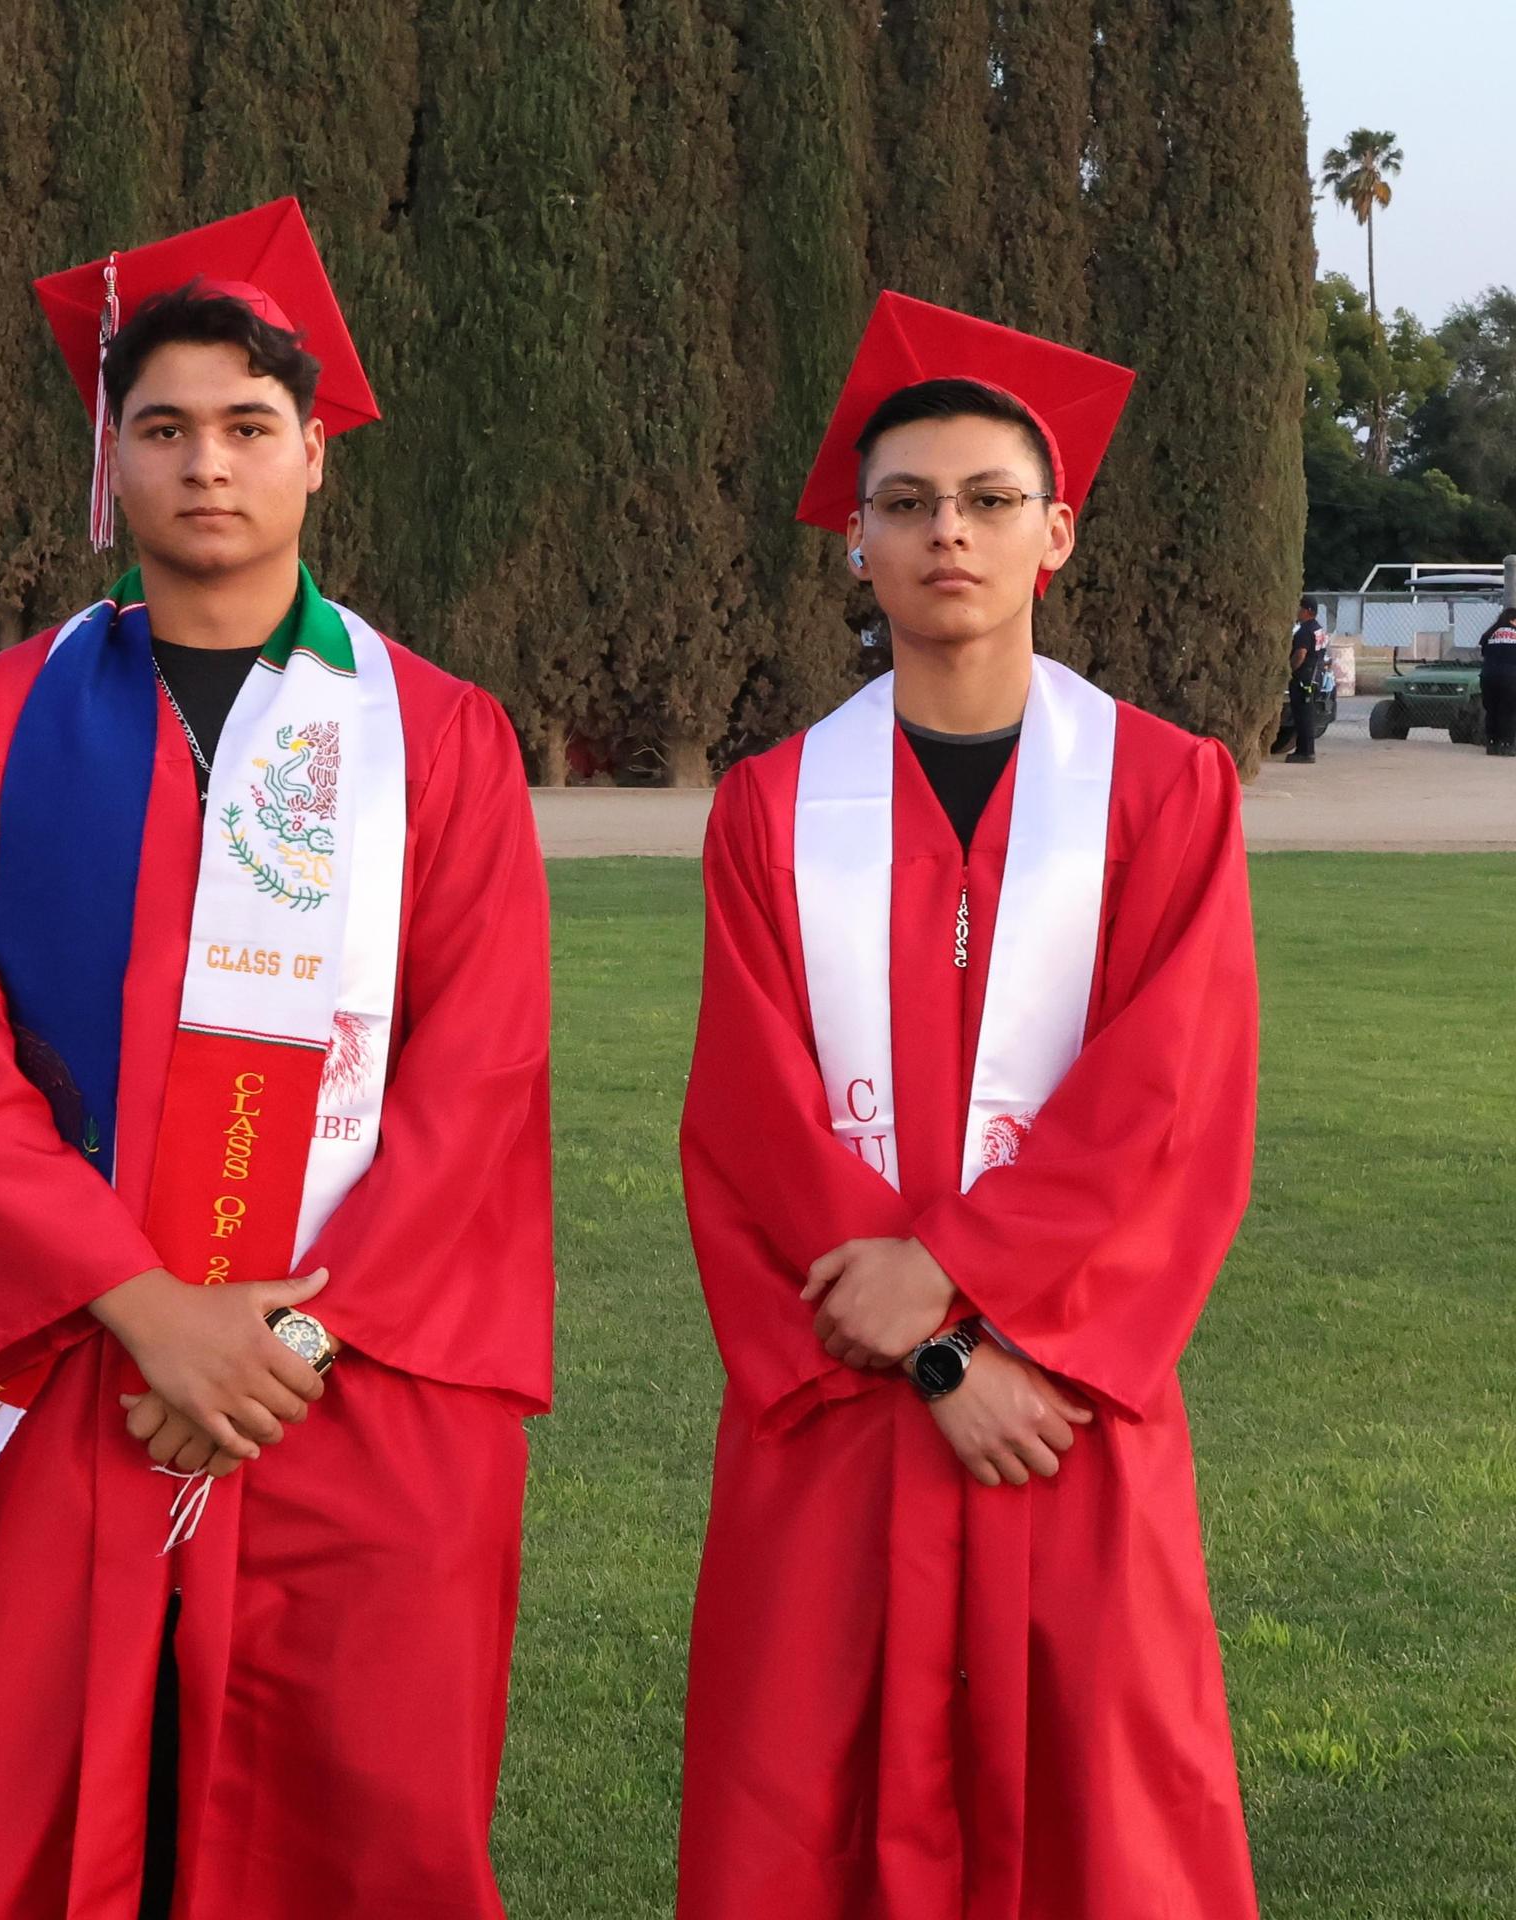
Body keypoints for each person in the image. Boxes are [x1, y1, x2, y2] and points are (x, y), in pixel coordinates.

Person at [0, 199, 554, 1920]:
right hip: (77, 1372)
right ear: (111, 463)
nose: (209, 465)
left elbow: (478, 1076)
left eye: (249, 428)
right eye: (164, 429)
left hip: (352, 1386)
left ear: (316, 459)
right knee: (53, 1816)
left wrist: (287, 1332)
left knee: (354, 1827)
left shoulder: (439, 739)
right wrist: (147, 1303)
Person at [676, 292, 1261, 1920]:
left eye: (991, 501)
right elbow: (749, 1127)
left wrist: (974, 1301)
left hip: (1065, 1409)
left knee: (1105, 1816)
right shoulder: (770, 813)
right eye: (908, 504)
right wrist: (935, 1349)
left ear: (1055, 534)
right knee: (808, 1807)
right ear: (854, 543)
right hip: (847, 1421)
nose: (951, 534)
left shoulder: (1164, 791)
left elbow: (1169, 1109)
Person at [1286, 595, 1326, 763]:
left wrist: (1289, 670)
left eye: (1299, 608)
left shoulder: (1304, 631)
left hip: (1303, 678)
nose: (1297, 612)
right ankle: (1304, 750)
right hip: (1315, 676)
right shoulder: (1318, 629)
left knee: (1302, 715)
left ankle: (1305, 752)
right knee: (1307, 714)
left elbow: (1300, 654)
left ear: (1308, 611)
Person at [1478, 604, 1516, 757]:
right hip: (1510, 677)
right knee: (1509, 711)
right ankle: (1507, 744)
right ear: (1513, 620)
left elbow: (1484, 652)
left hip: (1488, 676)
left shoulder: (1490, 633)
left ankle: (1492, 743)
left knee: (1492, 710)